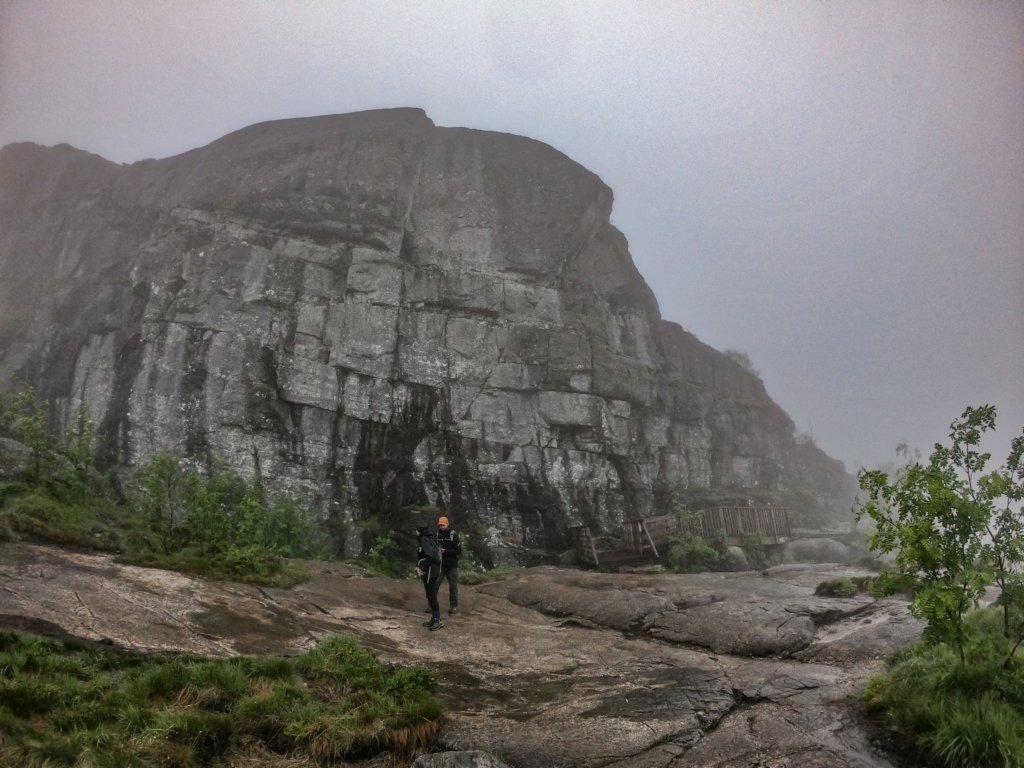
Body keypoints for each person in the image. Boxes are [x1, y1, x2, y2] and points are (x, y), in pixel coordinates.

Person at [415, 524, 444, 630]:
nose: (415, 533)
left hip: (431, 570)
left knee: (431, 595)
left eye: (416, 530)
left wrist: (422, 568)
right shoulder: (431, 538)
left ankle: (438, 620)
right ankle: (434, 618)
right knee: (430, 595)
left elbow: (429, 555)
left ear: (419, 531)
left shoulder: (424, 539)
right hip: (434, 569)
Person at [436, 515, 462, 614]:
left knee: (453, 586)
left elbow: (458, 551)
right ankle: (431, 605)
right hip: (440, 565)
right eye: (440, 525)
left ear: (447, 524)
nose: (441, 526)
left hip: (452, 565)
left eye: (443, 525)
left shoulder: (453, 535)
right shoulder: (437, 535)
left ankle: (453, 606)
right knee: (435, 584)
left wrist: (445, 551)